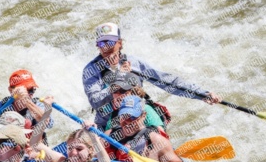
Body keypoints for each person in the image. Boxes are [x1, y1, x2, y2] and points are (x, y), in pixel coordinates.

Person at [82, 22, 222, 130]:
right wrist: (120, 78)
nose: (106, 47)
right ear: (97, 45)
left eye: (110, 42)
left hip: (138, 113)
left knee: (158, 133)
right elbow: (95, 101)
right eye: (101, 43)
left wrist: (202, 94)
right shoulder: (91, 70)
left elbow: (166, 82)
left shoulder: (135, 63)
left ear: (120, 43)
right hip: (108, 120)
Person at [104, 72, 167, 137]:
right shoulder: (114, 114)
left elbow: (162, 137)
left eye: (123, 91)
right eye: (114, 91)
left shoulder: (145, 109)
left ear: (133, 92)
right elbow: (105, 139)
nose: (117, 95)